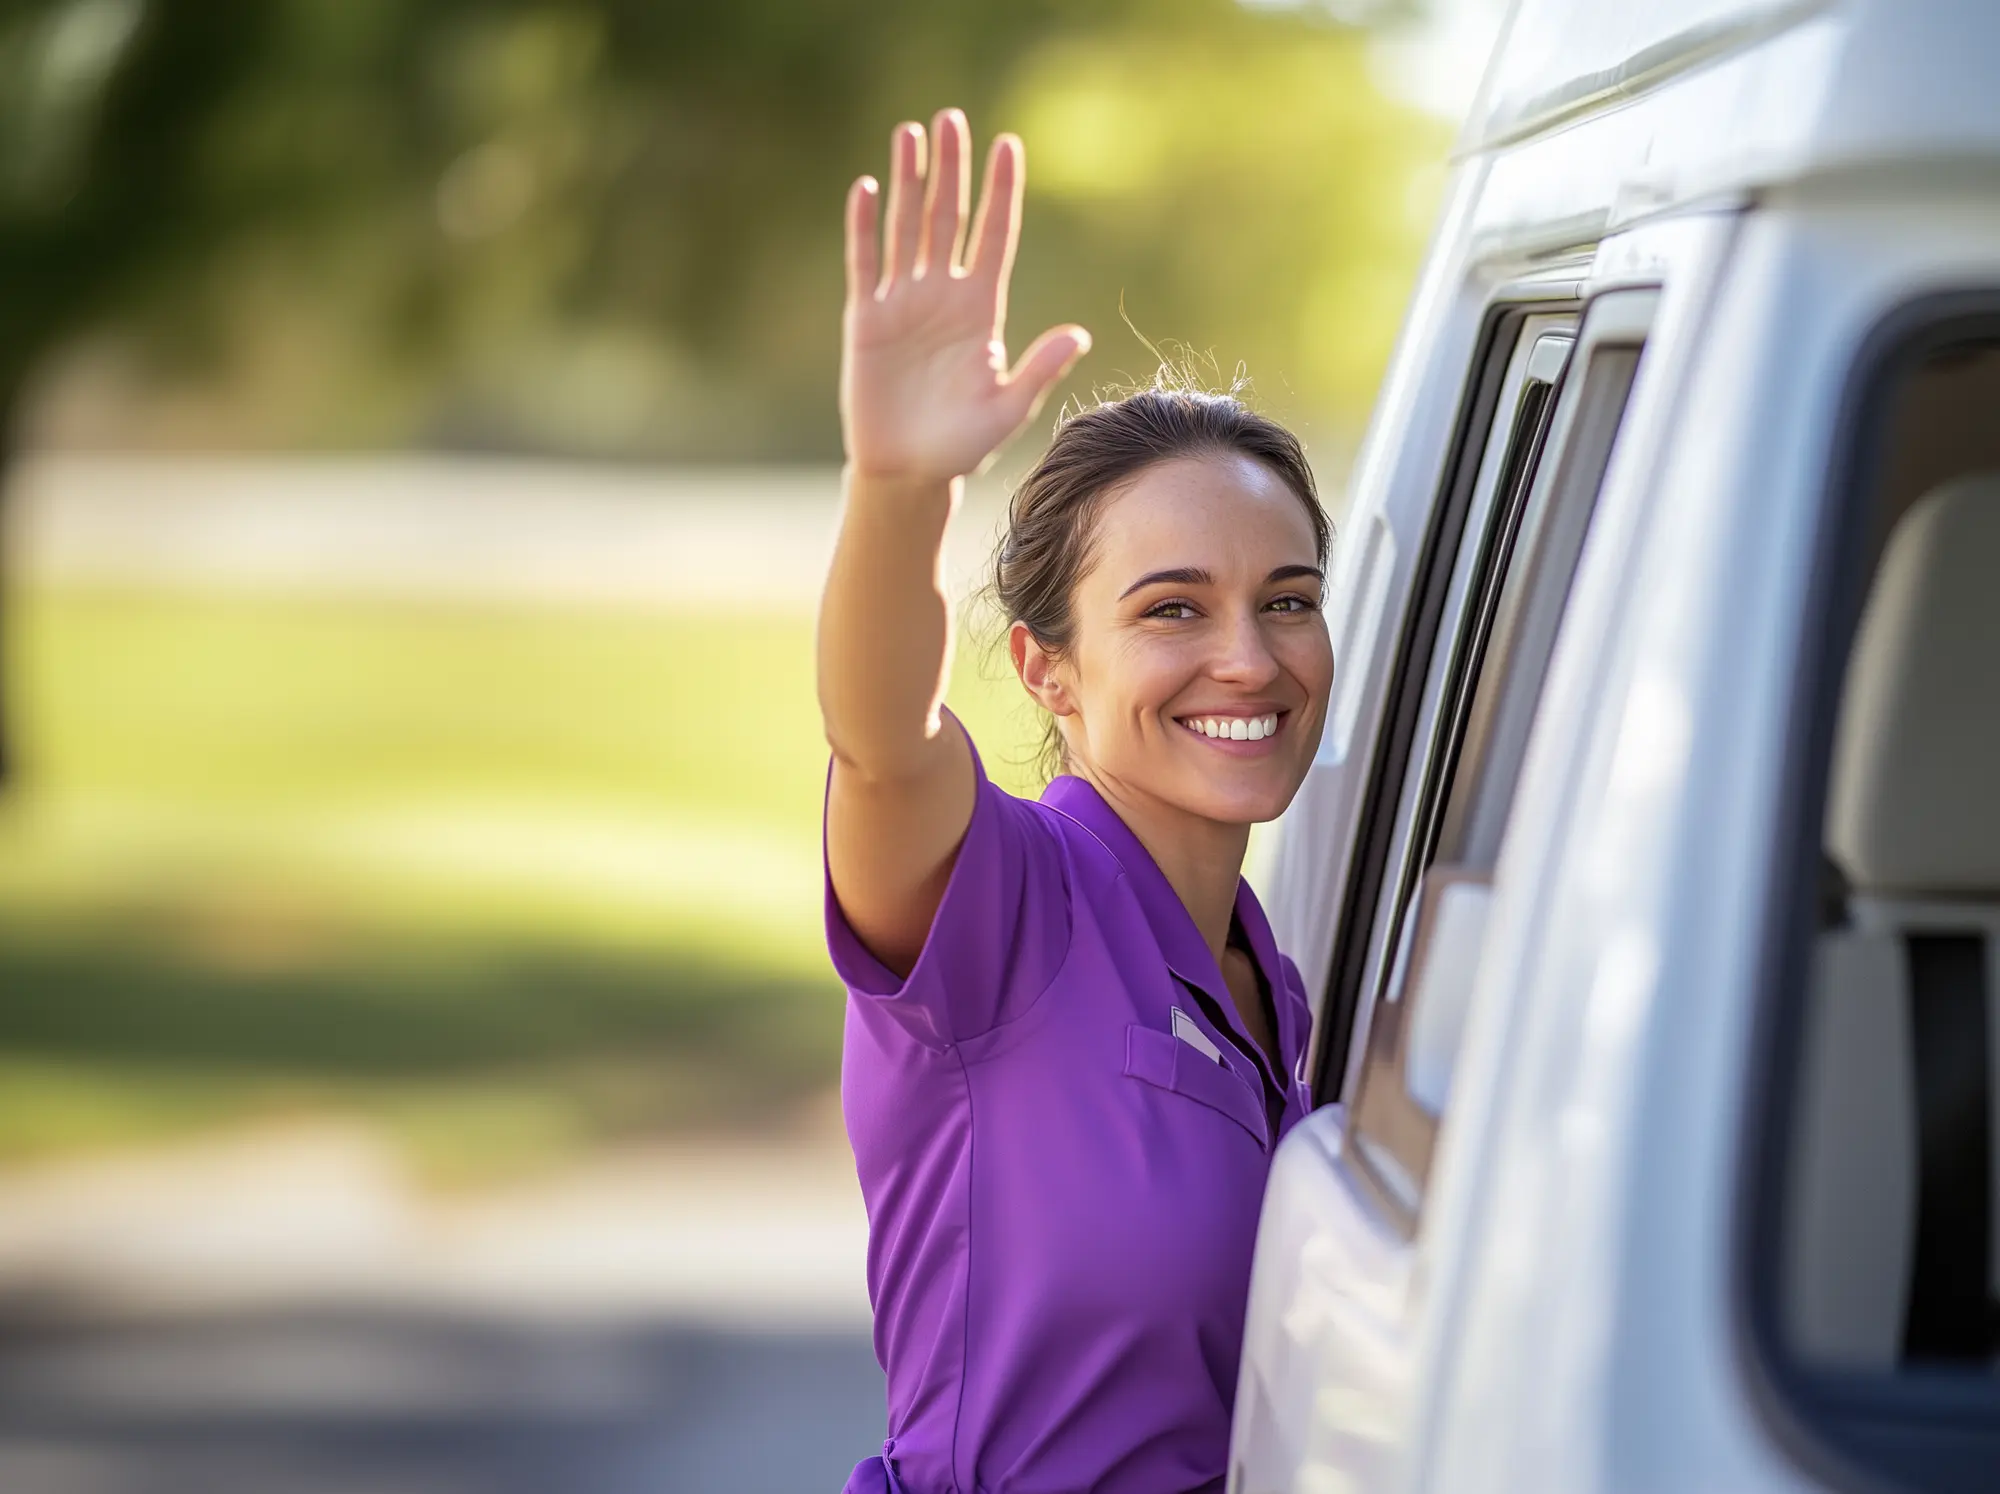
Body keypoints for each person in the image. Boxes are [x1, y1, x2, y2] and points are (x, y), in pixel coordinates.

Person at [820, 107, 1335, 1494]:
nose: (1250, 655)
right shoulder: (1001, 907)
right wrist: (901, 486)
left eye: (1287, 600)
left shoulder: (1271, 979)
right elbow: (880, 737)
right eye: (1175, 609)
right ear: (1048, 667)